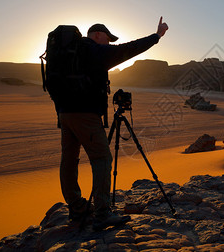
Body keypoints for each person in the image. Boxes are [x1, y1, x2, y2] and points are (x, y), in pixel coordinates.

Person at [57, 17, 168, 230]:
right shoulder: (94, 51)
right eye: (108, 39)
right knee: (102, 159)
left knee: (69, 159)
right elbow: (129, 49)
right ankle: (102, 213)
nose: (109, 44)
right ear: (98, 35)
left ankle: (77, 208)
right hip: (86, 114)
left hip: (64, 113)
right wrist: (156, 36)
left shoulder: (70, 52)